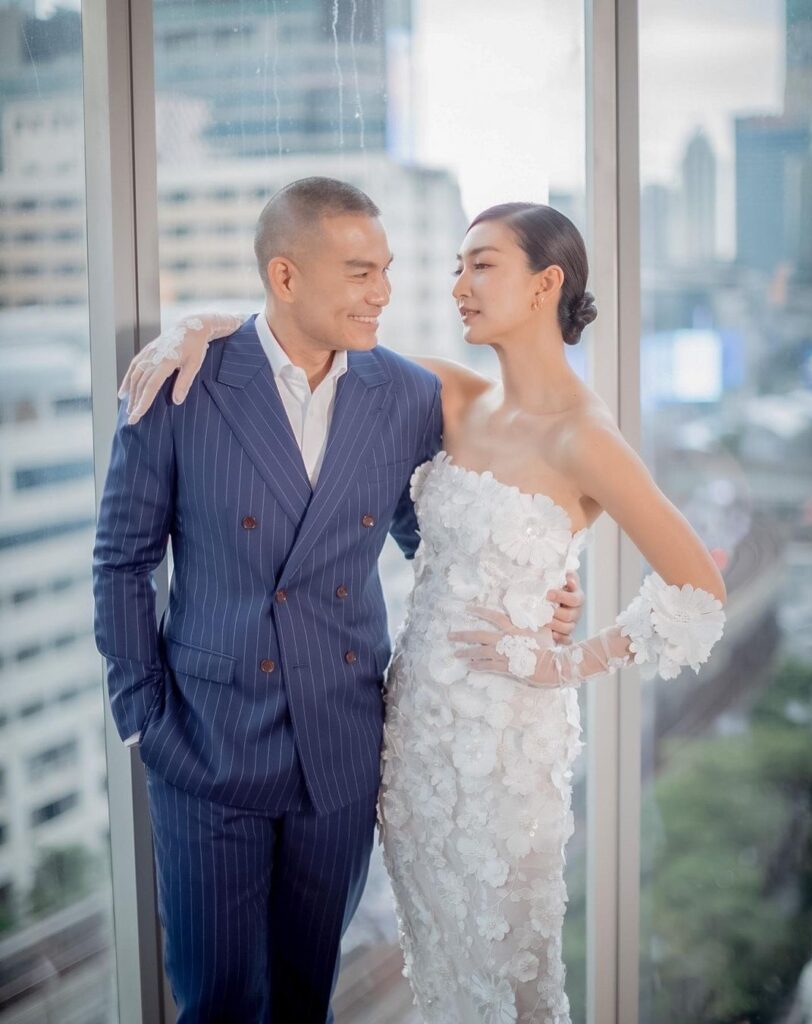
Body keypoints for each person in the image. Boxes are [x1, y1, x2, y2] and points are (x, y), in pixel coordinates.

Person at [120, 197, 726, 1022]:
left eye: (481, 265)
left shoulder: (584, 435)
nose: (456, 287)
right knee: (436, 964)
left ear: (545, 284)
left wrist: (566, 658)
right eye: (455, 268)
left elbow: (698, 590)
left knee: (497, 966)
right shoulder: (445, 395)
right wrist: (203, 324)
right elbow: (309, 338)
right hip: (408, 736)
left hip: (501, 742)